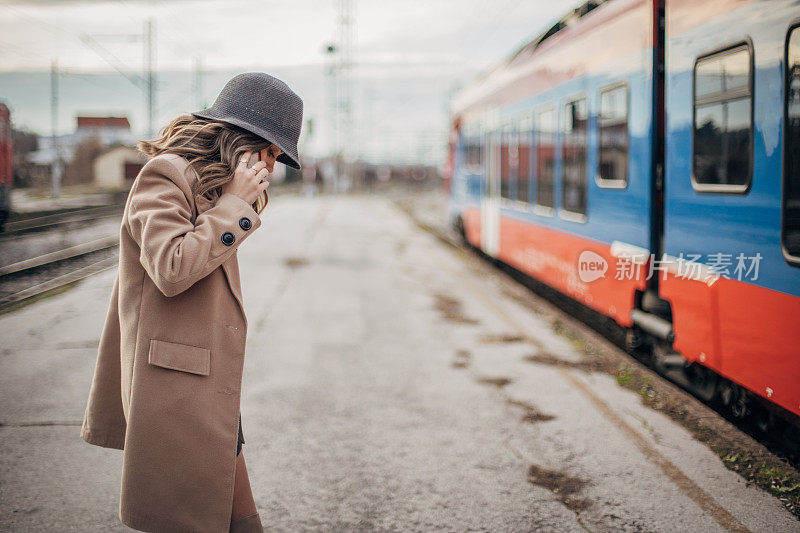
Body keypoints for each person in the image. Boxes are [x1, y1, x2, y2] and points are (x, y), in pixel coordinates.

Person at [79, 72, 303, 532]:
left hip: (205, 380)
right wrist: (235, 204)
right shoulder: (166, 174)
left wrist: (232, 201)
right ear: (246, 140)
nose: (273, 167)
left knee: (237, 519)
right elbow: (171, 268)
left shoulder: (210, 185)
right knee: (205, 521)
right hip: (174, 384)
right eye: (272, 153)